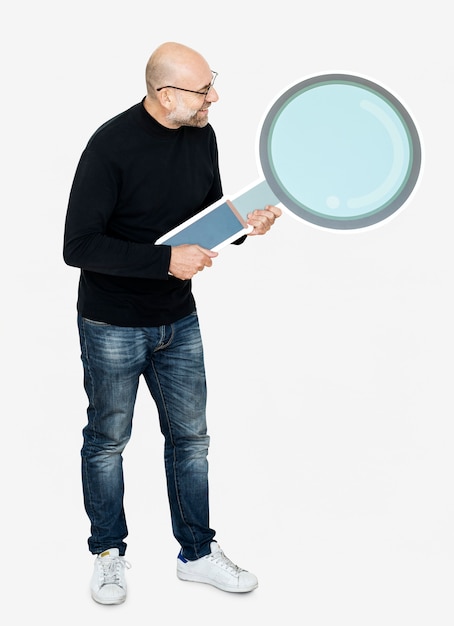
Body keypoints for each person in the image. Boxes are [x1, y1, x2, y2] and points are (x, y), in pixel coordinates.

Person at [63, 41, 281, 605]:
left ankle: (198, 554)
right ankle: (109, 554)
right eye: (203, 89)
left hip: (178, 321)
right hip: (111, 322)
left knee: (191, 441)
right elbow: (78, 245)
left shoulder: (201, 134)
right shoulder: (110, 145)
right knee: (108, 441)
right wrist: (165, 261)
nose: (215, 97)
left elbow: (203, 217)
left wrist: (242, 226)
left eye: (213, 84)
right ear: (166, 94)